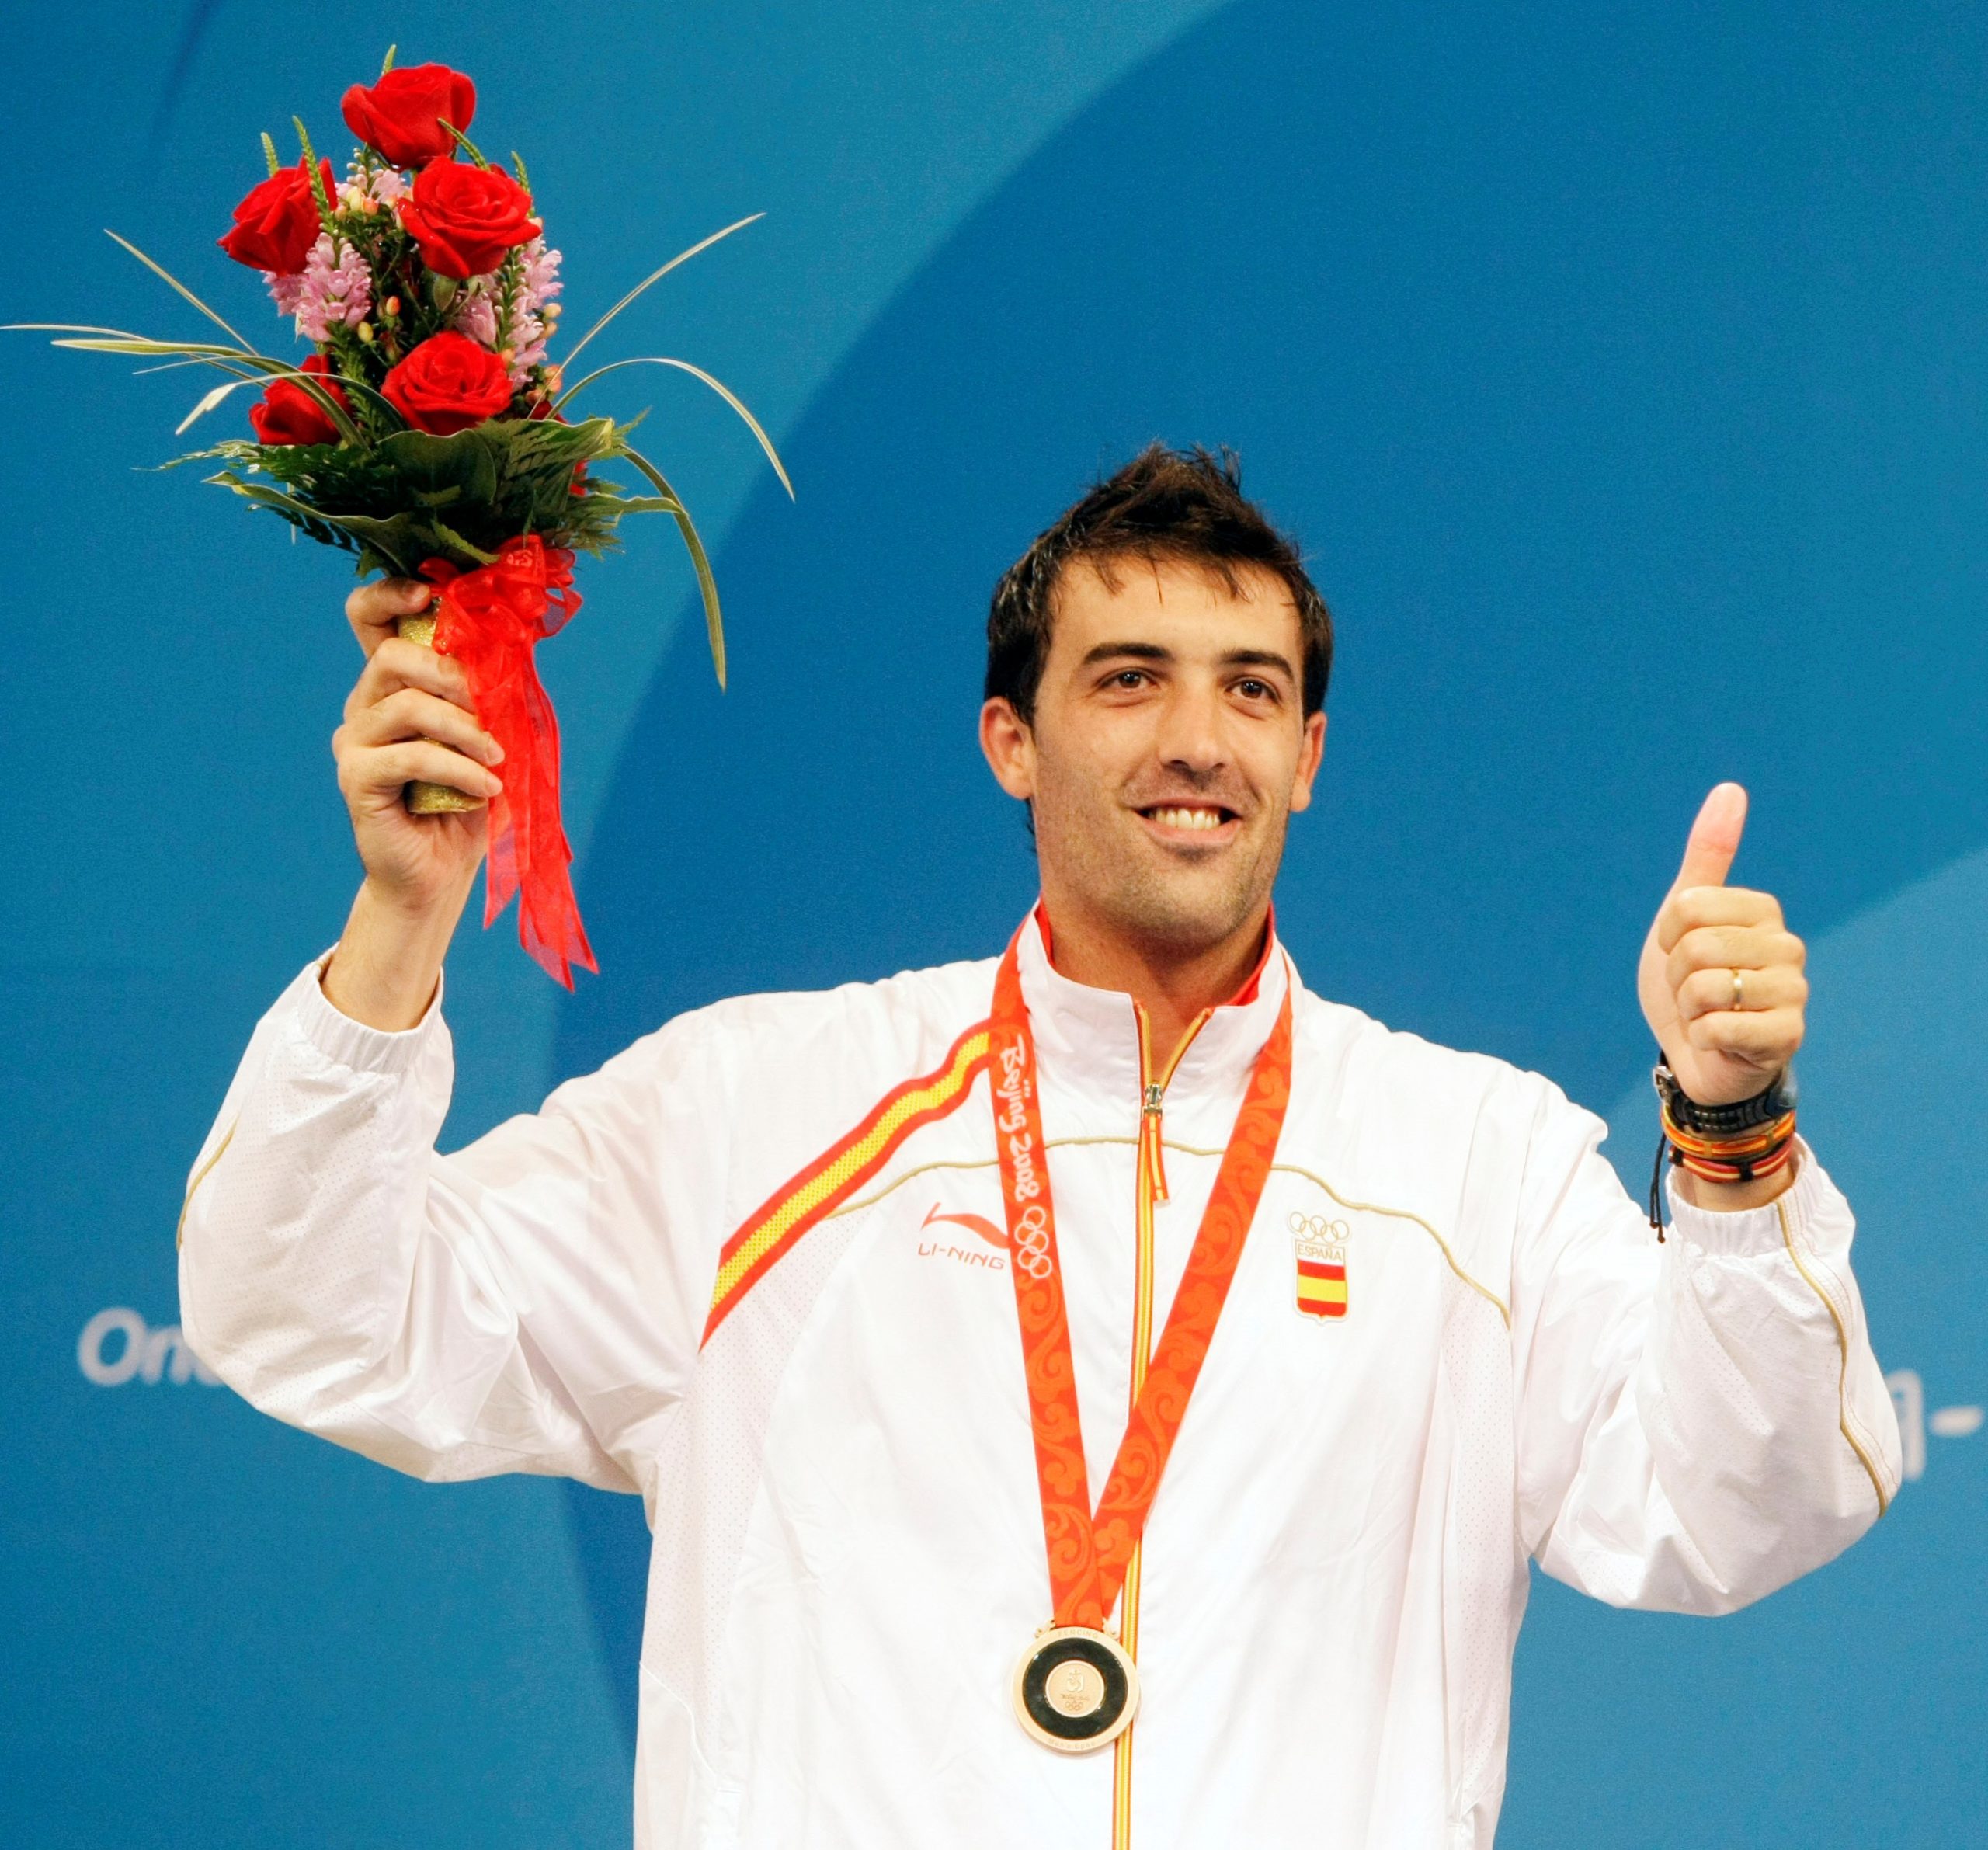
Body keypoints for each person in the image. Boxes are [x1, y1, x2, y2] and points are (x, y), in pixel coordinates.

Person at [177, 444, 1899, 1850]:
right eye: (1128, 680)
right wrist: (402, 923)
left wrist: (1729, 1134)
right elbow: (316, 1311)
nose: (1196, 740)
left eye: (1250, 691)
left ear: (1307, 758)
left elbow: (1744, 1503)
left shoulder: (1475, 1165)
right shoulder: (752, 1113)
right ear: (1011, 738)